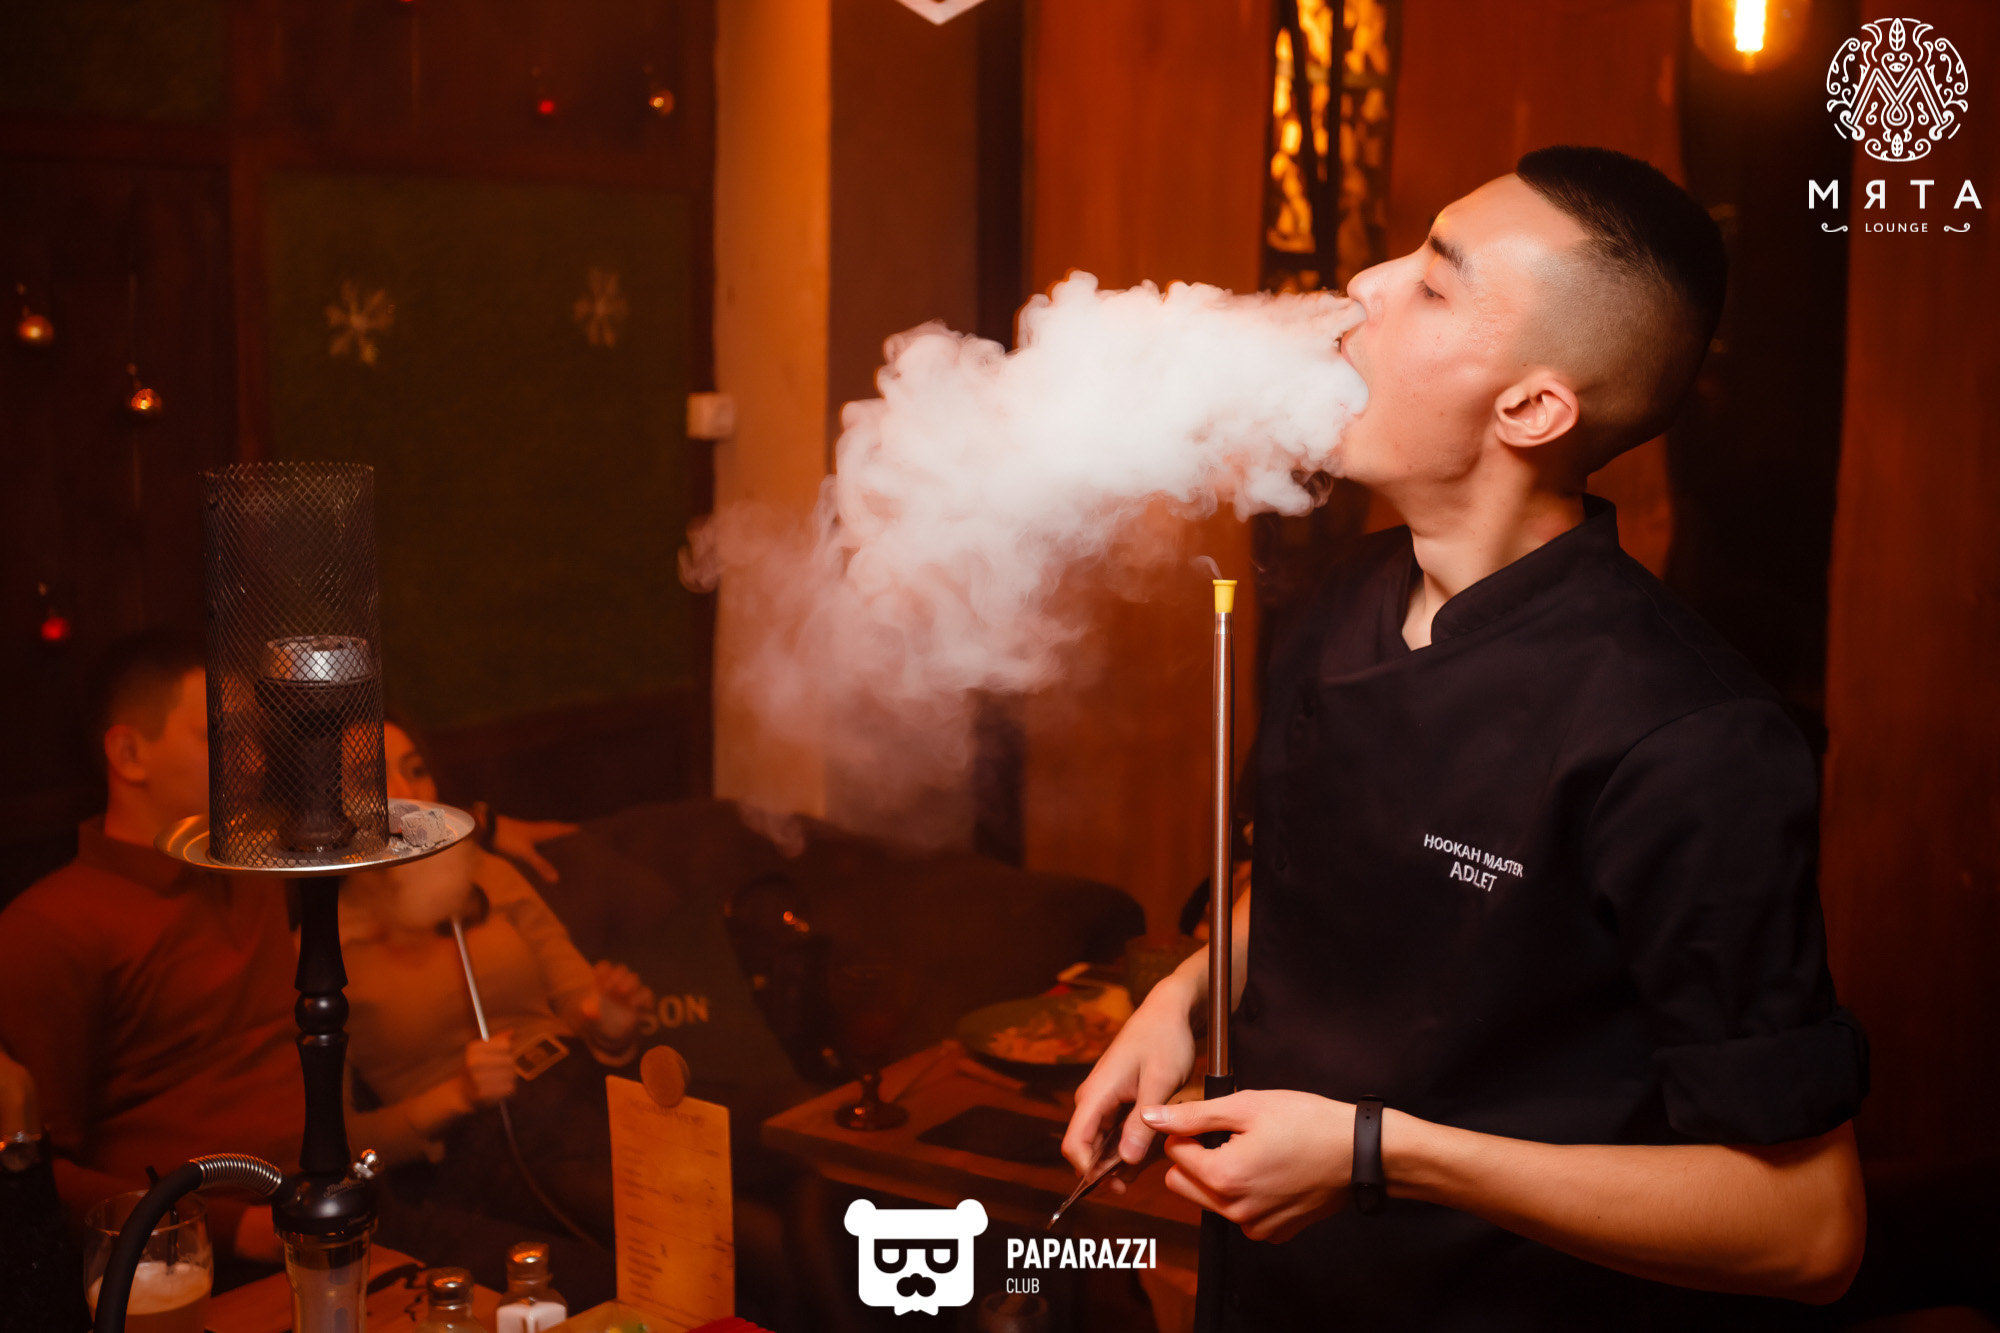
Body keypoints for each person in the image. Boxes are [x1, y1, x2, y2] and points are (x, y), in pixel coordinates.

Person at [1062, 147, 1869, 1330]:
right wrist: (1185, 997)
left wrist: (1377, 1154)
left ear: (1531, 408)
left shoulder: (1688, 738)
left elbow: (1808, 1231)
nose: (1364, 283)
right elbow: (1315, 876)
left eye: (1433, 285)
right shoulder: (1344, 597)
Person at [0, 629, 296, 1269]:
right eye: (222, 737)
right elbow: (32, 1174)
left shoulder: (257, 873)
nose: (252, 760)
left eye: (255, 737)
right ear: (130, 754)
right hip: (180, 1257)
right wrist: (232, 1229)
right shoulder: (51, 928)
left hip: (320, 1204)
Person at [338, 722, 650, 1243]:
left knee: (767, 1149)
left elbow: (577, 996)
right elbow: (344, 1145)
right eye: (371, 779)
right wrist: (457, 1094)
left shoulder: (482, 873)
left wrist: (608, 1022)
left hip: (581, 1089)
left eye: (416, 771)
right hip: (483, 1148)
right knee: (678, 1219)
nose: (409, 793)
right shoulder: (318, 952)